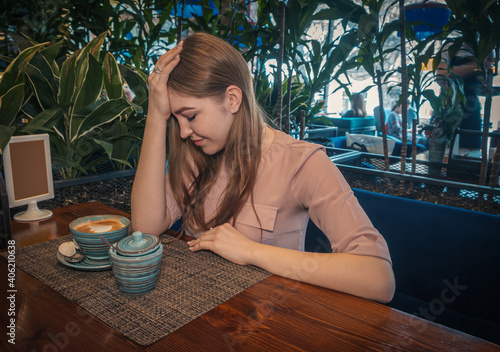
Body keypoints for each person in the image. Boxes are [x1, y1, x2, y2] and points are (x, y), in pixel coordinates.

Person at [131, 32, 395, 303]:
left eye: (191, 116)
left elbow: (378, 278)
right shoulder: (196, 155)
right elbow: (144, 229)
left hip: (268, 318)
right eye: (176, 119)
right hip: (198, 308)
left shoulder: (301, 162)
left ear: (232, 99)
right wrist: (156, 115)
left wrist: (250, 252)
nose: (184, 132)